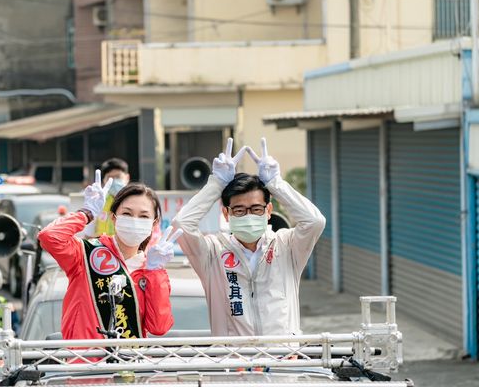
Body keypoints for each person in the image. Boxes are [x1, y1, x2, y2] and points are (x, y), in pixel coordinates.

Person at [172, 137, 325, 336]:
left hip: (283, 361)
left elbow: (315, 222)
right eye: (239, 210)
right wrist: (216, 183)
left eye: (256, 209)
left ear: (269, 210)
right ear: (226, 214)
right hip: (234, 362)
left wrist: (275, 184)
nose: (249, 215)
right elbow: (182, 224)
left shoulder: (287, 246)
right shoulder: (211, 253)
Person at [38, 170, 178, 340]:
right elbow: (49, 237)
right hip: (85, 362)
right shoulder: (85, 253)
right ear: (114, 218)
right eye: (127, 213)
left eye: (143, 216)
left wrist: (155, 272)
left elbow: (159, 327)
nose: (134, 220)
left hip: (131, 363)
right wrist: (87, 213)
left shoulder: (149, 270)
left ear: (154, 223)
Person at [93, 157, 131, 237]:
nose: (113, 181)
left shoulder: (135, 201)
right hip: (103, 246)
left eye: (118, 177)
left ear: (127, 178)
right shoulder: (99, 202)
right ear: (104, 180)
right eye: (110, 178)